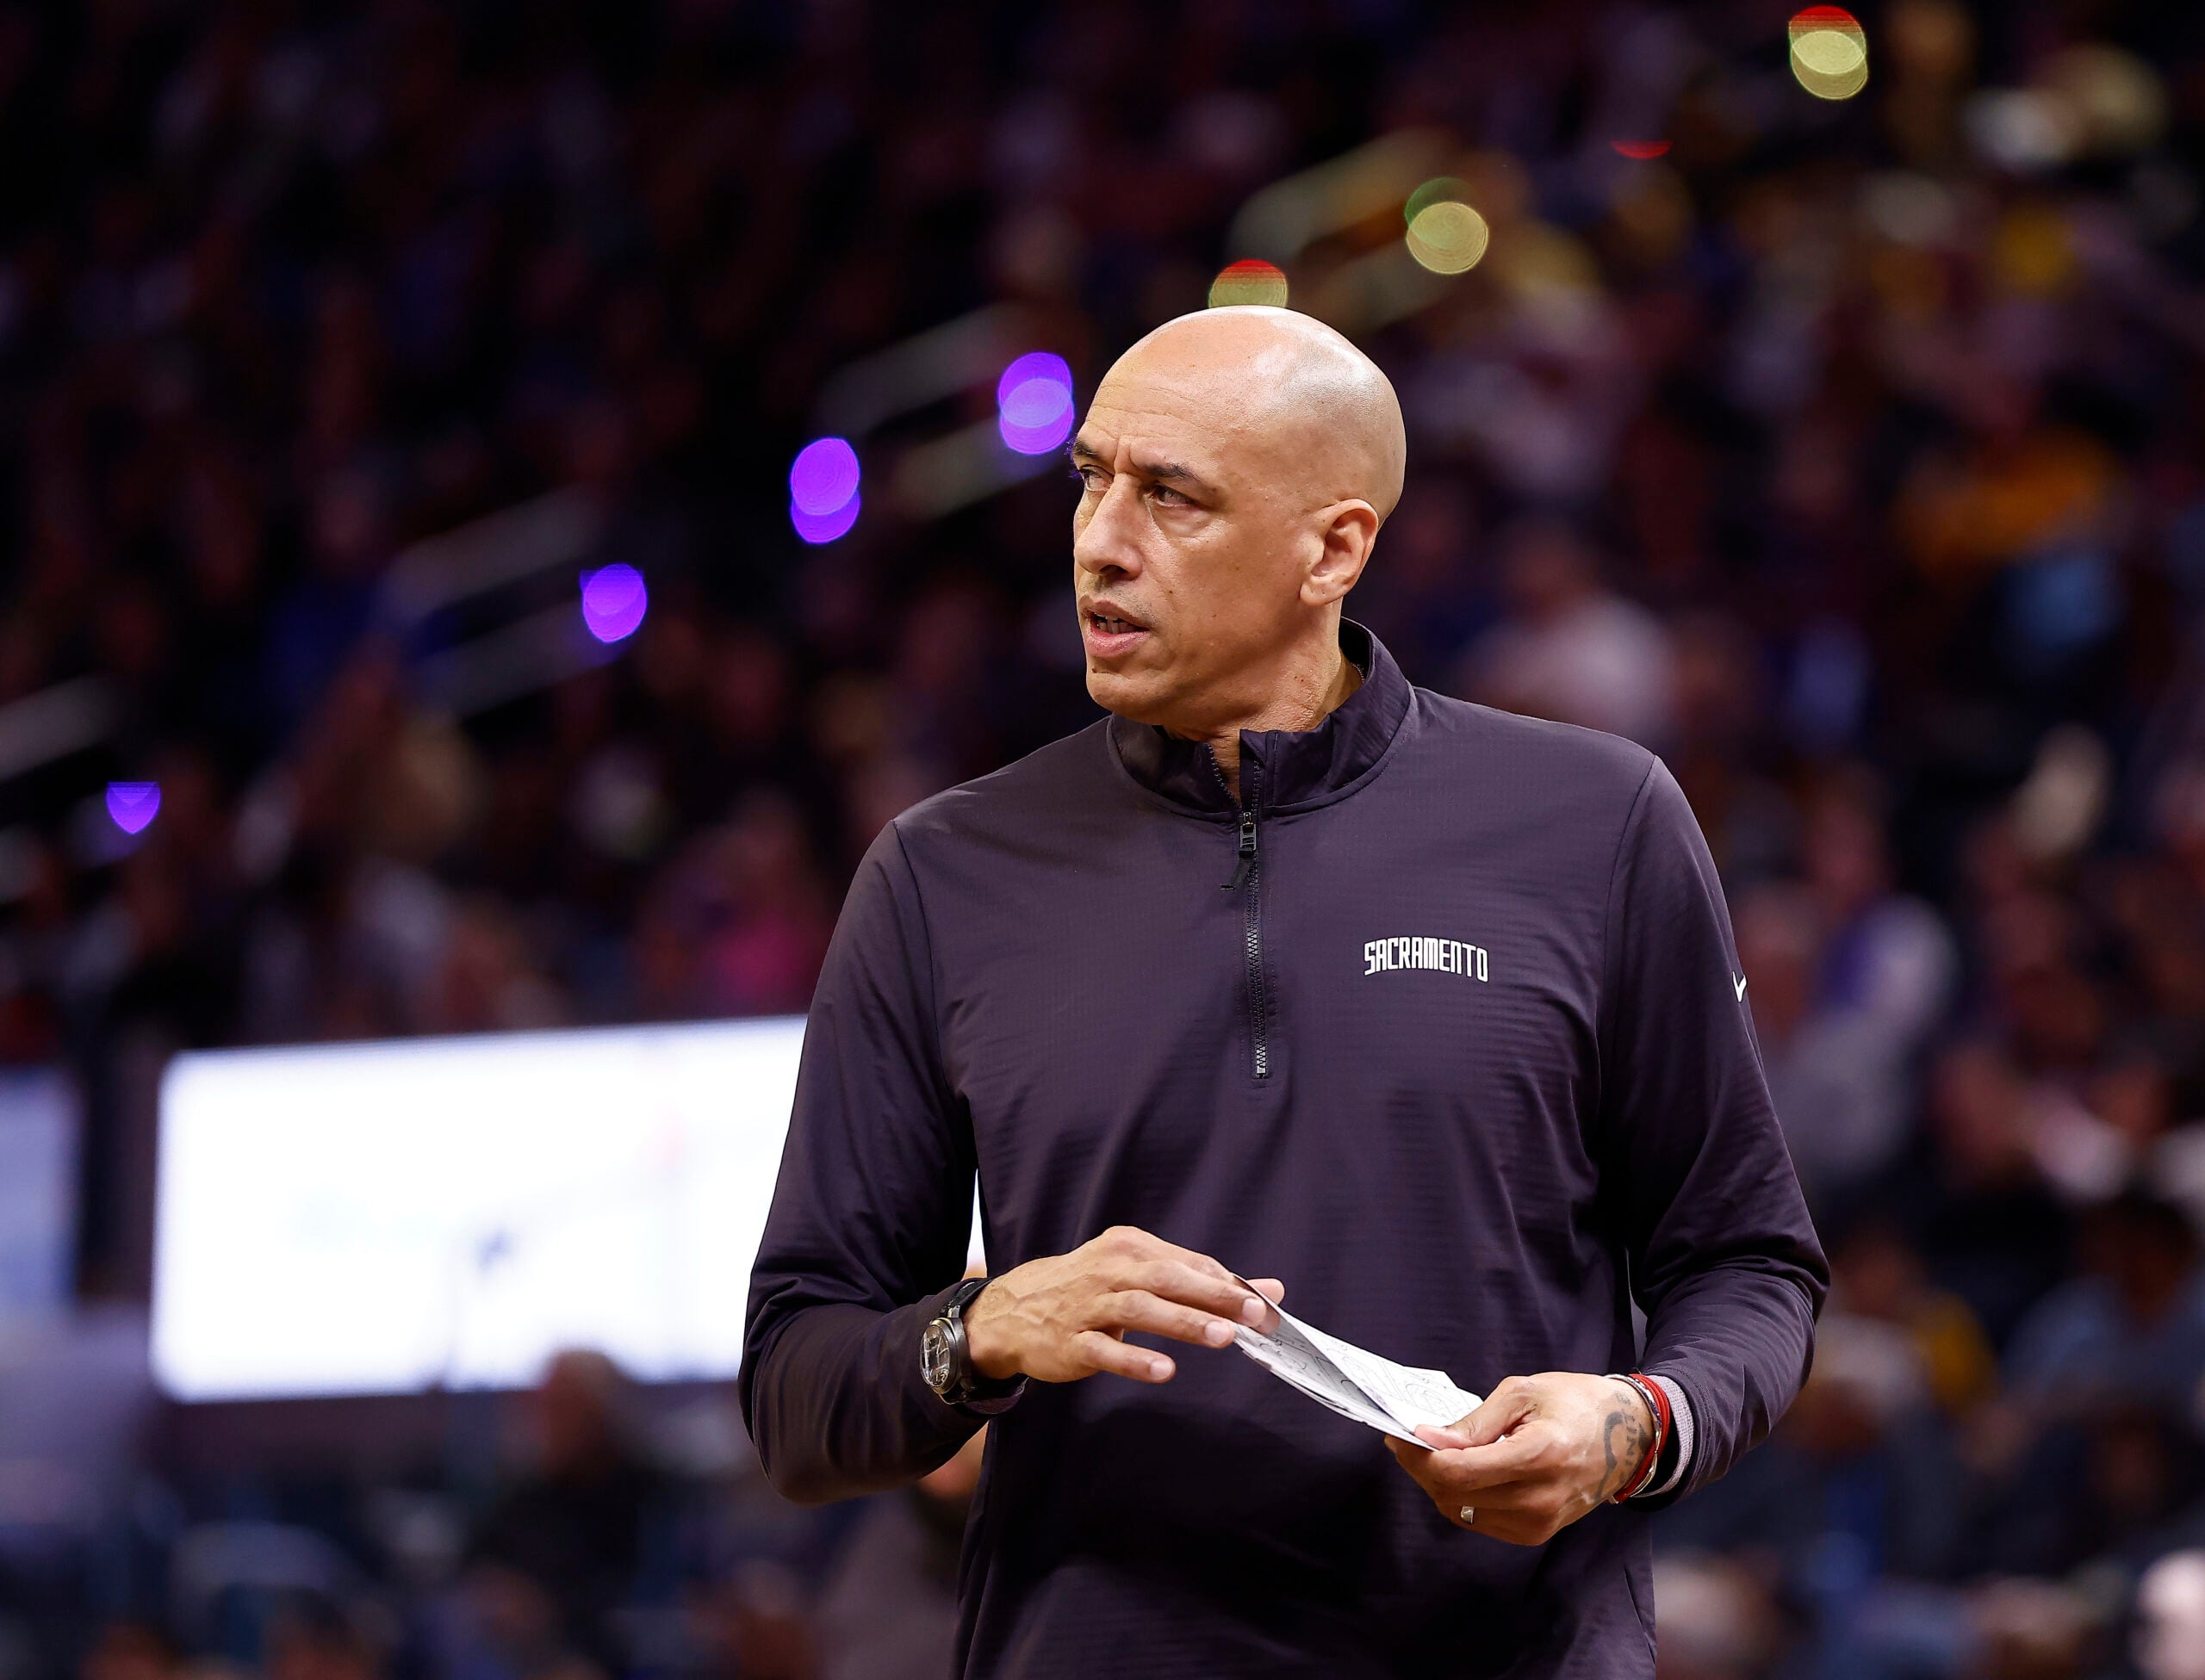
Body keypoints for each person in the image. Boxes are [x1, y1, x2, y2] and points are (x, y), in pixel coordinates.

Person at [741, 306, 1826, 1677]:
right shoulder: (942, 874)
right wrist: (980, 1329)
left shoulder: (1595, 823)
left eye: (1171, 496)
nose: (1099, 542)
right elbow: (797, 1390)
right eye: (1090, 479)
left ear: (1335, 550)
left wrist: (1634, 1425)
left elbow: (1748, 1265)